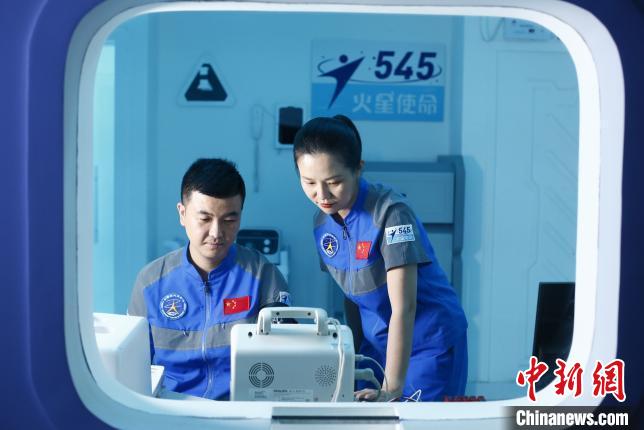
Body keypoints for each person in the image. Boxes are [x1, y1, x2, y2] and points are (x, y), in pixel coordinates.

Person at [293, 115, 468, 402]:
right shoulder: (322, 224)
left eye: (334, 182)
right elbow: (351, 295)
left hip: (429, 344)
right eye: (309, 182)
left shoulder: (391, 215)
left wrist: (392, 389)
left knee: (414, 417)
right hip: (377, 344)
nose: (321, 194)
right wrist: (351, 355)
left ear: (358, 169)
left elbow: (405, 307)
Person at [128, 158, 290, 400]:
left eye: (229, 220)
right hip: (170, 410)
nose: (216, 233)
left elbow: (286, 359)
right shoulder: (150, 282)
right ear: (182, 214)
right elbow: (132, 367)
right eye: (204, 219)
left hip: (242, 407)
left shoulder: (262, 276)